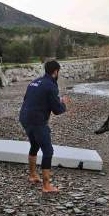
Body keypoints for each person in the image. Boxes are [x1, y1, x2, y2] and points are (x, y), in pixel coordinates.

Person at [19, 60, 69, 192]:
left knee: (35, 145)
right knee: (48, 151)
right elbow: (57, 110)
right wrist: (63, 103)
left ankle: (33, 175)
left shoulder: (34, 82)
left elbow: (27, 99)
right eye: (58, 72)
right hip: (37, 121)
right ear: (56, 72)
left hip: (24, 118)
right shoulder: (51, 86)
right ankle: (46, 186)